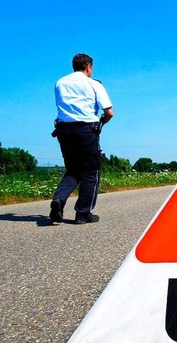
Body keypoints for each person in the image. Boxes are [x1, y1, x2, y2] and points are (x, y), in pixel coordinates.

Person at [49, 53, 114, 224]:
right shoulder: (93, 84)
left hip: (64, 131)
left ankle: (59, 200)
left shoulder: (60, 83)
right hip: (87, 130)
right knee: (90, 172)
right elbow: (109, 112)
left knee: (73, 170)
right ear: (88, 67)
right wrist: (101, 123)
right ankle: (83, 213)